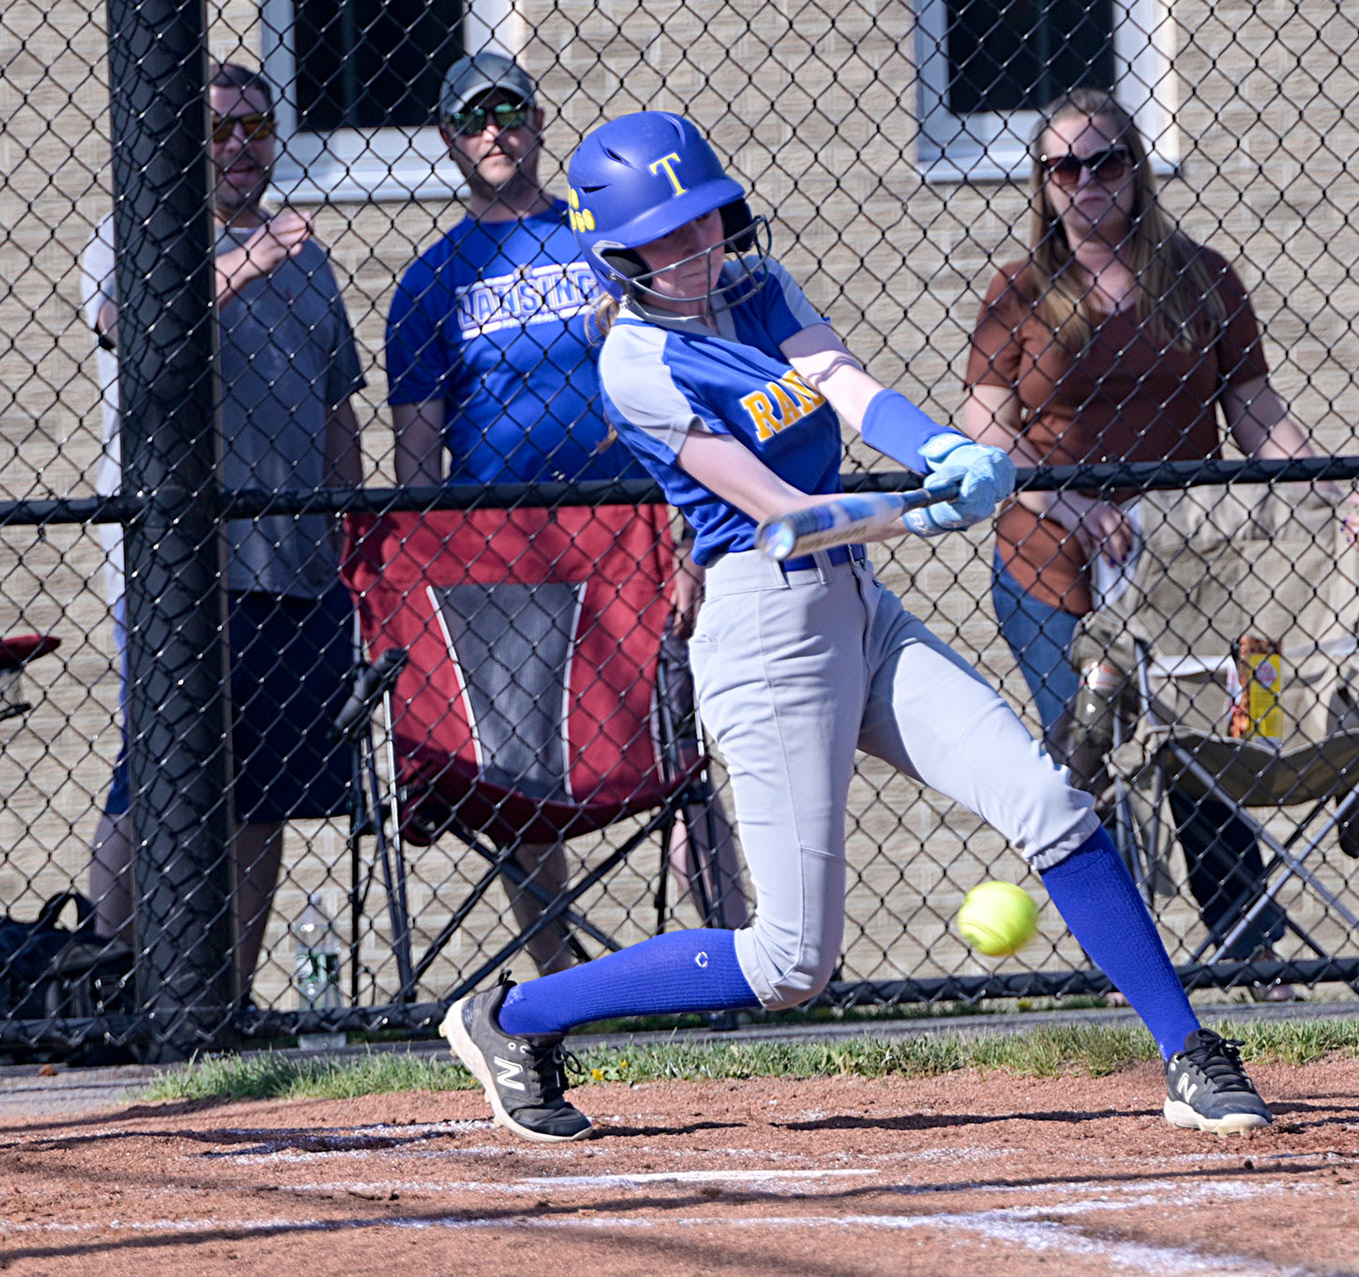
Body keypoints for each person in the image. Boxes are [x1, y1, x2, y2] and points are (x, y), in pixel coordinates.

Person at [439, 110, 1273, 1143]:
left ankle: (1190, 1053)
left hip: (860, 610)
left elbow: (844, 383)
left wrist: (940, 449)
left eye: (705, 219)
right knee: (791, 963)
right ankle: (514, 1017)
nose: (695, 246)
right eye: (664, 235)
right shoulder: (638, 364)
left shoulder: (758, 288)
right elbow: (779, 512)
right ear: (618, 254)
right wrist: (920, 509)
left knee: (1048, 800)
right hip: (766, 632)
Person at [962, 88, 1359, 976]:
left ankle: (1248, 950)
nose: (1086, 181)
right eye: (1063, 167)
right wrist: (1071, 504)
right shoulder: (1018, 292)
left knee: (1202, 752)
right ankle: (1132, 966)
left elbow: (1255, 411)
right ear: (1043, 184)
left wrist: (1331, 495)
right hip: (1053, 563)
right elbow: (986, 434)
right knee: (1092, 758)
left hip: (1189, 567)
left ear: (1136, 171)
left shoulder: (1201, 277)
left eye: (1105, 161)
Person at [385, 52, 744, 976]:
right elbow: (418, 462)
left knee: (683, 756)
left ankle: (748, 960)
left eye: (509, 112)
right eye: (474, 119)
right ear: (447, 140)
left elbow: (688, 373)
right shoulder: (430, 283)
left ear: (539, 122)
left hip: (635, 542)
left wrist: (694, 536)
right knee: (524, 778)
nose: (494, 132)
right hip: (501, 561)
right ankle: (560, 977)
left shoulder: (602, 241)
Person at [79, 62, 363, 997]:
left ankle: (230, 1004)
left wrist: (350, 532)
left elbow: (337, 409)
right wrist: (248, 260)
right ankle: (102, 988)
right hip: (181, 569)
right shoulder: (135, 233)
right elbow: (132, 328)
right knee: (154, 778)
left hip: (297, 564)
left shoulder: (310, 258)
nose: (240, 145)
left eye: (256, 127)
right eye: (218, 130)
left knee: (264, 798)